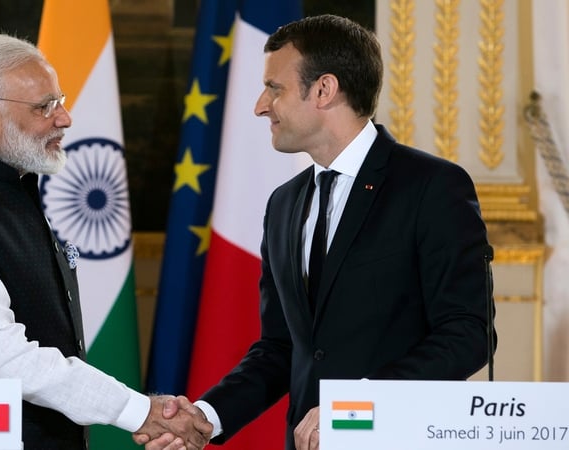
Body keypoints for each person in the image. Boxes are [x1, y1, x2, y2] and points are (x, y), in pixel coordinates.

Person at [137, 14, 495, 450]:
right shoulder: (284, 204)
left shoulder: (432, 186)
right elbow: (280, 348)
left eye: (275, 88)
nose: (260, 106)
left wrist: (358, 405)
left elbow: (468, 334)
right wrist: (207, 417)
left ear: (324, 89)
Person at [0, 34, 212, 450]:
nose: (65, 119)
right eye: (45, 107)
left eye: (60, 101)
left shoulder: (14, 185)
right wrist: (138, 410)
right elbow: (4, 357)